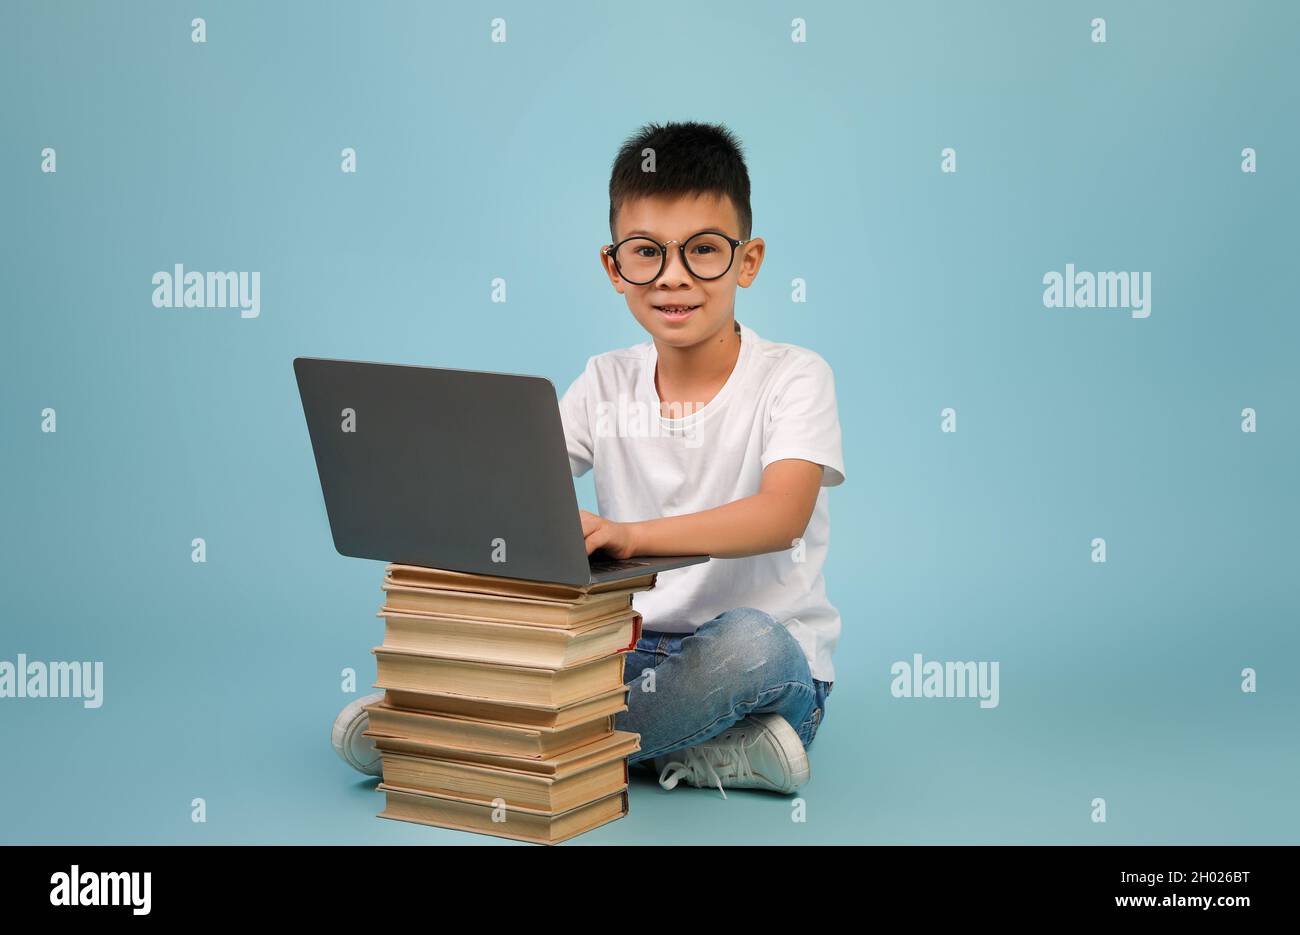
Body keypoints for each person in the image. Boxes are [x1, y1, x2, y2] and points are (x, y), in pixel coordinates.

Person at [334, 121, 845, 798]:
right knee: (528, 611)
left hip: (762, 668)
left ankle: (445, 739)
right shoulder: (604, 380)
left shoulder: (794, 376)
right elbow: (516, 487)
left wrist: (628, 535)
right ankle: (700, 748)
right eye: (647, 253)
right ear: (614, 267)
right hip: (622, 651)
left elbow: (781, 515)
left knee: (751, 643)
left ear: (747, 262)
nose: (673, 277)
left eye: (703, 251)